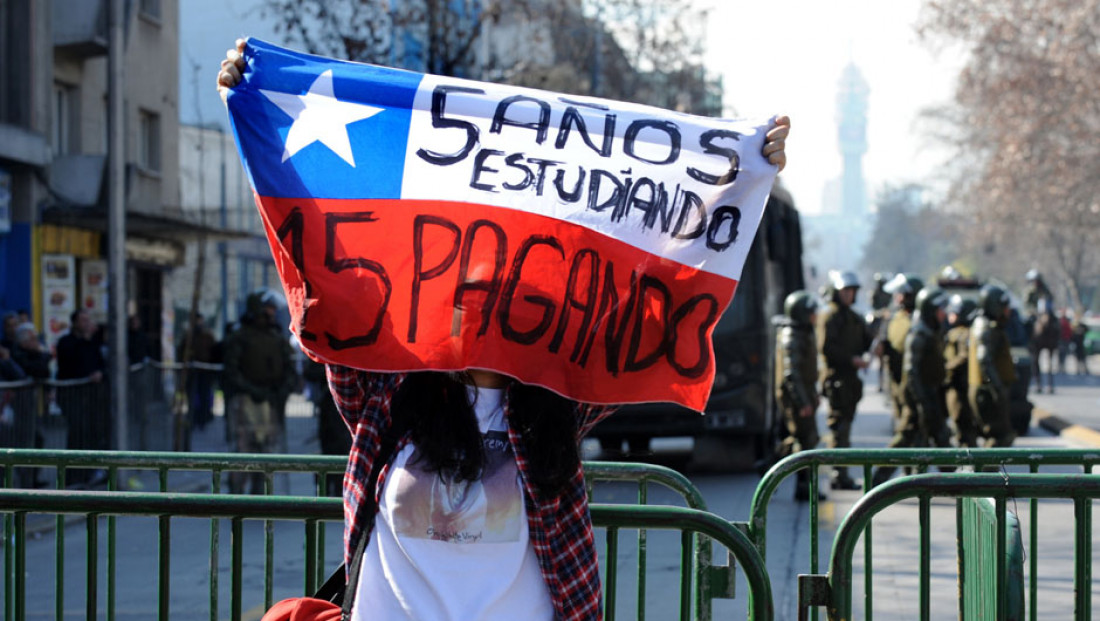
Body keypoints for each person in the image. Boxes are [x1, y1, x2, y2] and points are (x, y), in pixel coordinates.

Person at [220, 38, 791, 620]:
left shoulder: (558, 400)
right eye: (468, 293)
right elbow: (331, 283)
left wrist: (740, 178)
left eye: (500, 296)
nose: (483, 308)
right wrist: (256, 99)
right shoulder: (389, 391)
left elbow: (646, 312)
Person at [871, 287, 953, 486]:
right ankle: (875, 482)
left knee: (941, 438)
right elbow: (912, 373)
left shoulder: (931, 331)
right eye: (940, 309)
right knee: (905, 440)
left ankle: (956, 482)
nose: (944, 313)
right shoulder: (918, 334)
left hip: (929, 396)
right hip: (919, 399)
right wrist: (921, 402)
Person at [221, 290, 295, 494]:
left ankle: (259, 492)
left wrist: (282, 391)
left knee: (266, 450)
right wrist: (251, 389)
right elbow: (231, 370)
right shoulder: (240, 337)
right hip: (245, 401)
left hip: (269, 401)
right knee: (243, 450)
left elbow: (289, 369)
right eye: (268, 309)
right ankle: (236, 495)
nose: (272, 313)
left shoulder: (277, 337)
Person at [817, 270, 871, 490]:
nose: (849, 295)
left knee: (845, 426)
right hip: (836, 379)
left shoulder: (854, 317)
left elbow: (865, 340)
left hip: (850, 381)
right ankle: (839, 474)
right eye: (845, 291)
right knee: (839, 428)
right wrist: (852, 360)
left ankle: (841, 473)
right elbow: (826, 348)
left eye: (852, 291)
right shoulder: (829, 316)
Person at [774, 290, 823, 501]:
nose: (815, 316)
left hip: (804, 392)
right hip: (795, 396)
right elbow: (790, 374)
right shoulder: (791, 337)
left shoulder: (803, 332)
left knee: (804, 438)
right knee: (805, 440)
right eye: (811, 312)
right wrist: (803, 402)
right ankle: (801, 485)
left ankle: (774, 466)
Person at [56, 309, 109, 485]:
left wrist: (100, 374)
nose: (87, 324)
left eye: (88, 320)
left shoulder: (92, 343)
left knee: (93, 434)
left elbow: (101, 364)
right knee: (77, 434)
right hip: (73, 396)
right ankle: (72, 475)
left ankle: (90, 472)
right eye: (83, 320)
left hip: (92, 397)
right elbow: (70, 365)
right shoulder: (66, 342)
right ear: (75, 323)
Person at [968, 284, 1017, 448]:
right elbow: (984, 360)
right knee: (1000, 437)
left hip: (987, 390)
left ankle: (985, 473)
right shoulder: (985, 328)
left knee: (1001, 436)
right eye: (1004, 307)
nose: (1007, 311)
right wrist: (997, 389)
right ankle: (983, 473)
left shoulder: (987, 326)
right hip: (987, 392)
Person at [878, 273, 923, 433]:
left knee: (912, 423)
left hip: (915, 379)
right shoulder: (893, 317)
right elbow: (883, 344)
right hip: (896, 377)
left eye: (902, 294)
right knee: (902, 420)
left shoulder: (921, 321)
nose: (898, 298)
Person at [943, 296, 978, 448]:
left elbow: (964, 357)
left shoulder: (965, 334)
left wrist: (946, 368)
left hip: (960, 386)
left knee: (962, 425)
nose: (950, 315)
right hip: (953, 385)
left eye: (954, 312)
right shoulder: (955, 332)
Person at [180, 313, 219, 431]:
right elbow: (182, 352)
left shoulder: (207, 336)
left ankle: (203, 419)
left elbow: (213, 353)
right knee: (192, 397)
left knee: (204, 397)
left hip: (205, 372)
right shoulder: (188, 336)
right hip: (192, 373)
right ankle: (193, 419)